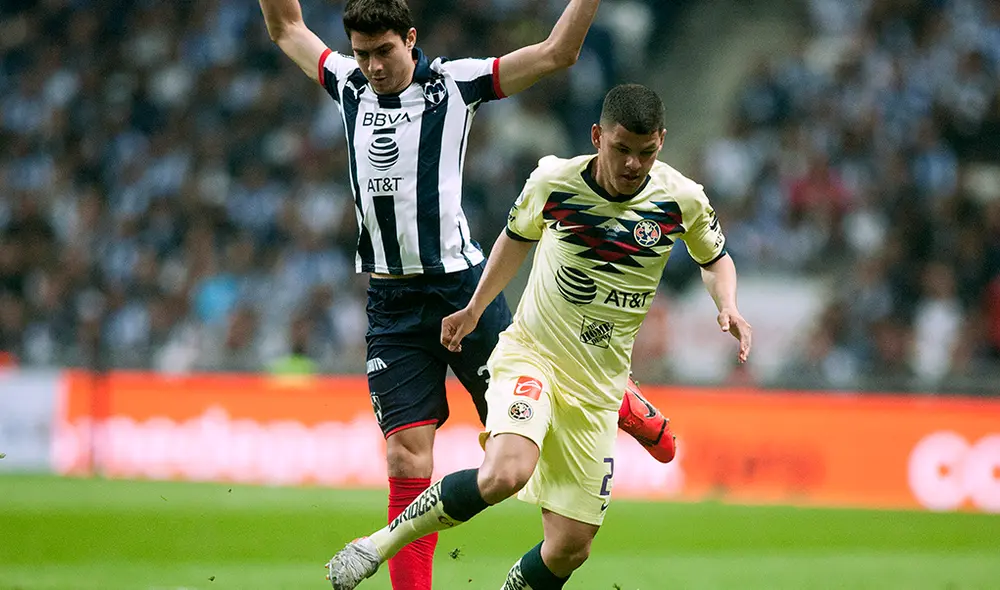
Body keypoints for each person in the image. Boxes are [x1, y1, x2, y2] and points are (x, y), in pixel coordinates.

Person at [257, 1, 677, 587]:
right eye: (362, 54)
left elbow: (557, 53)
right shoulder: (347, 84)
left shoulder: (454, 84)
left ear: (411, 39)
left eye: (384, 52)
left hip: (461, 290)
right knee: (406, 456)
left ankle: (619, 398)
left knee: (531, 430)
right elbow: (286, 27)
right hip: (392, 306)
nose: (373, 67)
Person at [325, 83, 752, 589]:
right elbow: (513, 242)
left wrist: (727, 303)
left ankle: (621, 403)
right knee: (504, 473)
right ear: (597, 137)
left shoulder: (682, 199)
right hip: (534, 358)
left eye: (645, 152)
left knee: (571, 547)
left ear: (661, 140)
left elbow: (715, 259)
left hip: (597, 387)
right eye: (621, 149)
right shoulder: (555, 182)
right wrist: (474, 309)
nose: (633, 164)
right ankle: (375, 546)